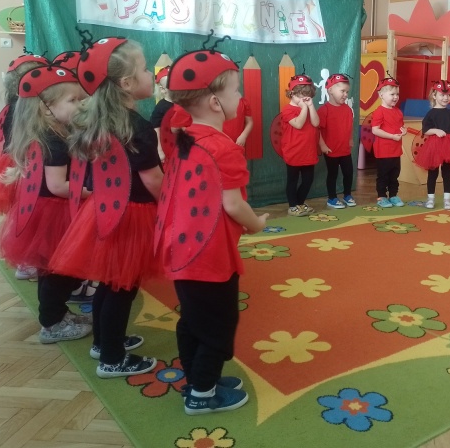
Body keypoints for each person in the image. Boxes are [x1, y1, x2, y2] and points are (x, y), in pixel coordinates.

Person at [156, 47, 268, 415]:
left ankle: (198, 380)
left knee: (194, 320)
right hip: (209, 253)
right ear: (216, 102)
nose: (241, 96)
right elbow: (233, 204)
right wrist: (257, 224)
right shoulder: (223, 147)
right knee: (219, 324)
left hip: (181, 248)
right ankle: (202, 394)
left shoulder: (184, 138)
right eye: (236, 90)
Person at [49, 37, 163, 378]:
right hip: (133, 215)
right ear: (126, 83)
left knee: (111, 283)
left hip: (103, 210)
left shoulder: (100, 120)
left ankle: (103, 341)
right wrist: (172, 206)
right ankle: (112, 358)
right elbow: (154, 181)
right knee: (122, 288)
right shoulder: (137, 127)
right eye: (145, 68)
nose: (150, 74)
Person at [0, 64, 92, 343]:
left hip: (49, 209)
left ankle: (57, 313)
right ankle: (51, 323)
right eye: (73, 100)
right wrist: (93, 193)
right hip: (55, 212)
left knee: (54, 269)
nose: (81, 104)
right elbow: (58, 186)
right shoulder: (53, 142)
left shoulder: (52, 133)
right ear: (47, 109)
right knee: (58, 271)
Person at [0, 52, 49, 280]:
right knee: (28, 213)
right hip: (23, 164)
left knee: (22, 212)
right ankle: (28, 260)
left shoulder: (14, 105)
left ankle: (26, 260)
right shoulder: (23, 108)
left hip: (18, 161)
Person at [414, 80, 450, 210]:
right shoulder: (431, 113)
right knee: (432, 173)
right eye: (442, 95)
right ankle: (430, 198)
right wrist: (435, 131)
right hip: (435, 146)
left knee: (447, 173)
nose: (446, 98)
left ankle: (447, 199)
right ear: (434, 95)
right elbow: (425, 130)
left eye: (449, 95)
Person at [280, 72, 319, 216]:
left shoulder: (307, 107)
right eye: (301, 95)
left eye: (307, 95)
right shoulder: (287, 109)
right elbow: (298, 124)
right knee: (293, 180)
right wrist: (304, 108)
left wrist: (311, 106)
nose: (304, 98)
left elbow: (316, 123)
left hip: (308, 151)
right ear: (292, 94)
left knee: (308, 180)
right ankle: (292, 206)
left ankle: (300, 203)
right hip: (293, 152)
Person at [318, 73, 356, 209]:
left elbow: (349, 126)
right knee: (332, 174)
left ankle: (347, 195)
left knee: (348, 173)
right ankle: (332, 198)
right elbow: (317, 130)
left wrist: (350, 139)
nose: (345, 95)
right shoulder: (324, 110)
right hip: (331, 150)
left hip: (345, 149)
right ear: (330, 90)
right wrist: (322, 145)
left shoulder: (348, 109)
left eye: (347, 92)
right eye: (342, 91)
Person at [370, 76, 407, 208]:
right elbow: (375, 130)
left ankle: (393, 195)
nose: (396, 97)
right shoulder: (379, 112)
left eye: (397, 94)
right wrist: (392, 136)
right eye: (392, 94)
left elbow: (400, 126)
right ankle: (381, 196)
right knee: (383, 176)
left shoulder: (398, 112)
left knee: (394, 175)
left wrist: (403, 131)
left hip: (396, 151)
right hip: (383, 151)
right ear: (381, 95)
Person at [150, 66, 175, 162]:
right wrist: (159, 151)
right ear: (163, 89)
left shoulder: (184, 103)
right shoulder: (161, 108)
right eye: (172, 85)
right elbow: (156, 129)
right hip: (167, 145)